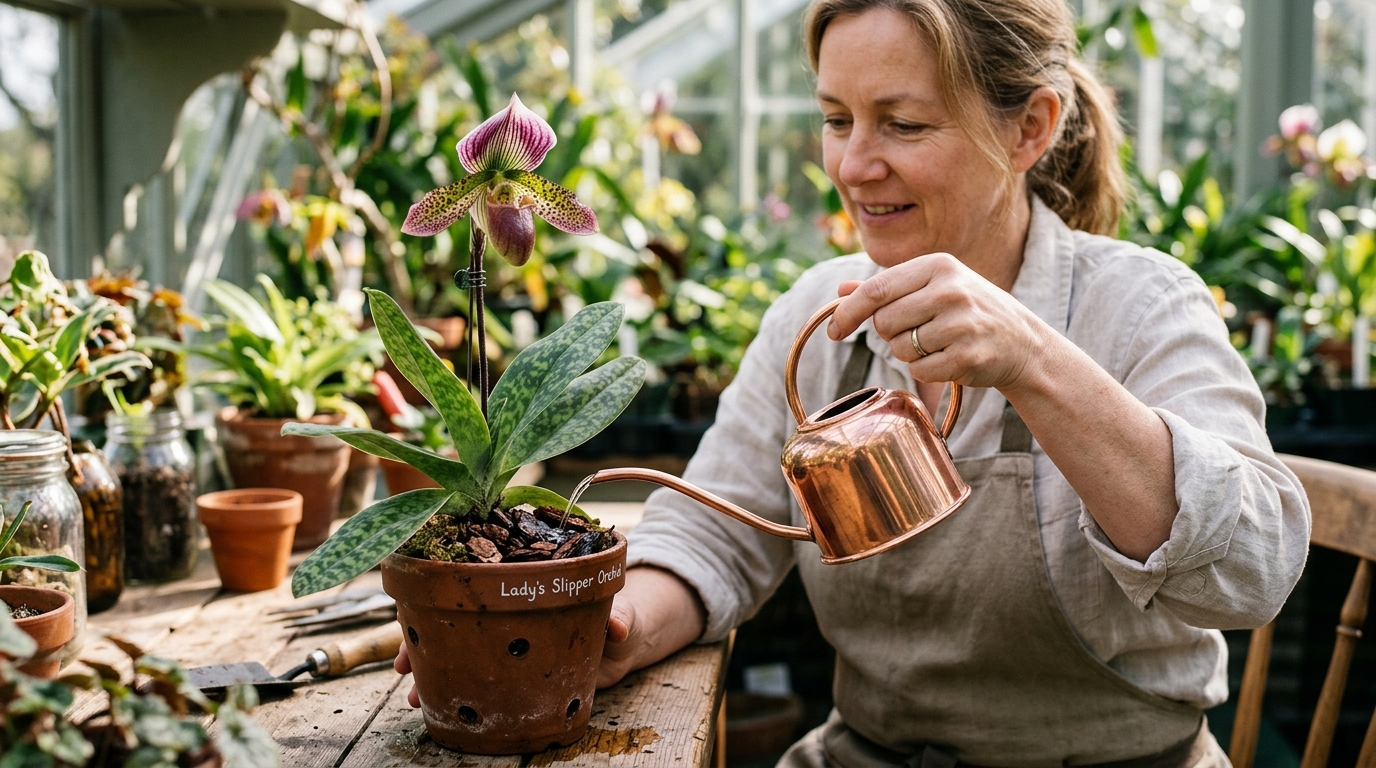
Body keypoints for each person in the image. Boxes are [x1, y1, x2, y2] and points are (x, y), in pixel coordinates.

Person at [397, 0, 1310, 764]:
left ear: (1031, 126)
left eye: (903, 124)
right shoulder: (819, 318)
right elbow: (713, 531)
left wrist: (1031, 359)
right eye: (837, 119)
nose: (852, 165)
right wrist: (614, 628)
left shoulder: (1138, 306)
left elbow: (1253, 571)